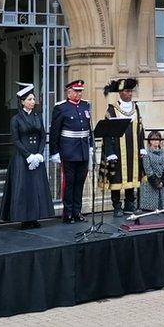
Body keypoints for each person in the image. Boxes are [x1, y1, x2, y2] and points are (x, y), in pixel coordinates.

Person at [0, 84, 52, 229]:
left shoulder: (37, 116)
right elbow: (15, 140)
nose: (33, 101)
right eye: (29, 99)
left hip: (36, 156)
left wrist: (39, 154)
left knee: (37, 187)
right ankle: (24, 218)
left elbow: (42, 135)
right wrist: (28, 156)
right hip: (23, 158)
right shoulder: (16, 119)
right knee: (24, 188)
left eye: (33, 99)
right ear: (22, 101)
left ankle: (35, 217)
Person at [49, 80, 93, 223]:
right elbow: (55, 131)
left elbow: (89, 128)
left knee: (80, 182)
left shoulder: (86, 105)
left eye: (80, 91)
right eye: (76, 91)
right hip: (68, 150)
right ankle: (67, 213)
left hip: (83, 150)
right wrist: (54, 152)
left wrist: (91, 146)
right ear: (69, 92)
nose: (79, 94)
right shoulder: (61, 108)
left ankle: (77, 212)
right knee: (69, 183)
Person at [101, 78, 145, 217]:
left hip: (133, 149)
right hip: (117, 150)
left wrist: (142, 147)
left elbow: (140, 128)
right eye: (127, 91)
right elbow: (107, 133)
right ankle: (117, 205)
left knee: (132, 177)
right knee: (116, 179)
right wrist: (110, 152)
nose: (130, 94)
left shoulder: (135, 107)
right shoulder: (112, 109)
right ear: (120, 93)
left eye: (131, 91)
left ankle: (129, 204)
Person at [140, 131, 164, 211]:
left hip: (161, 184)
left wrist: (162, 181)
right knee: (151, 211)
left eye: (157, 139)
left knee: (162, 209)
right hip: (150, 184)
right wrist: (156, 182)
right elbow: (147, 169)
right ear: (150, 141)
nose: (156, 141)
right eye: (153, 139)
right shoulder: (146, 153)